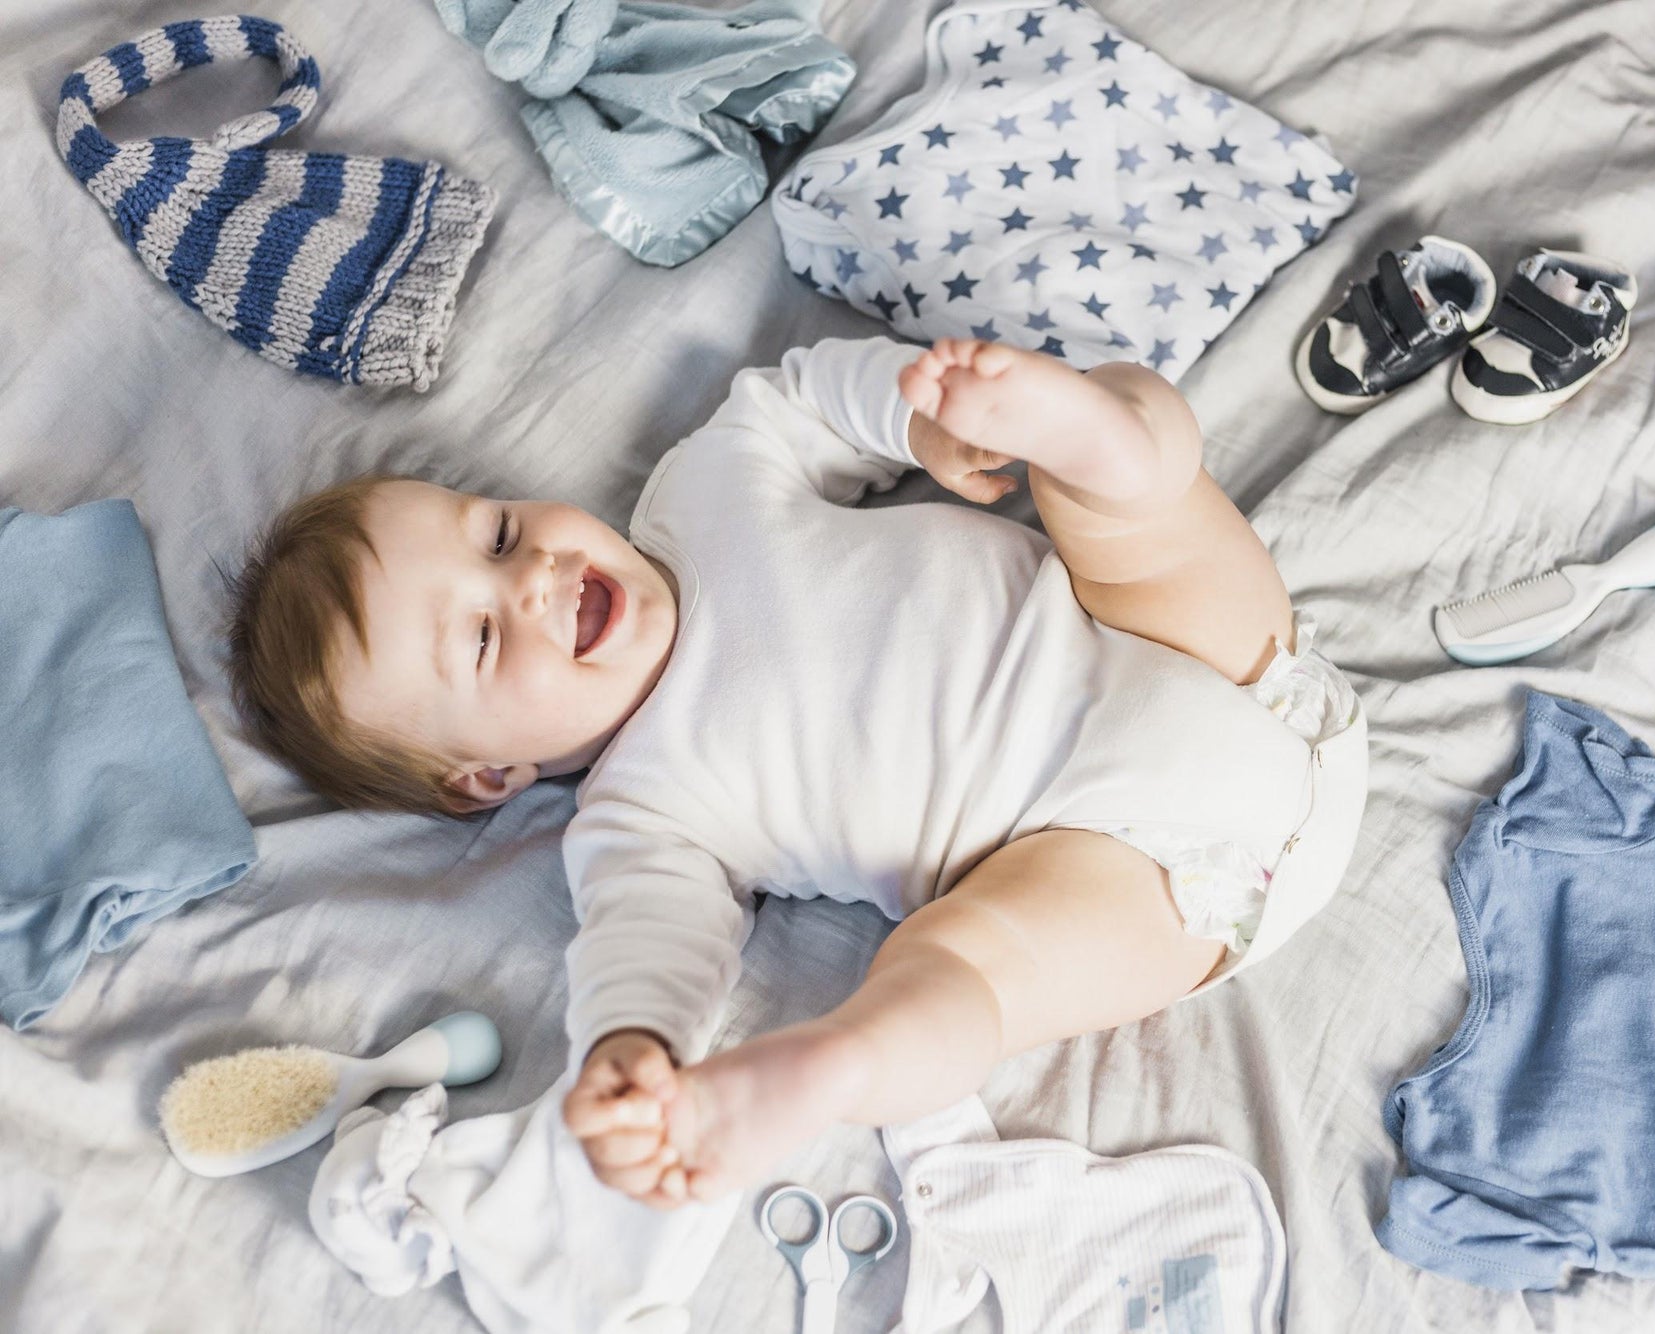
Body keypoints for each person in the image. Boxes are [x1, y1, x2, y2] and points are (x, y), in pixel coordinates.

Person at [228, 336, 1367, 1206]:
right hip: (1123, 871)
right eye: (479, 638)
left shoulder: (698, 492)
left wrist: (916, 422)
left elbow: (801, 393)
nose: (530, 579)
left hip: (1205, 657)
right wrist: (635, 1051)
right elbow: (642, 945)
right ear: (488, 775)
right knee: (955, 962)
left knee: (1132, 481)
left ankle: (1089, 429)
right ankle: (835, 1063)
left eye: (494, 534)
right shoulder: (641, 814)